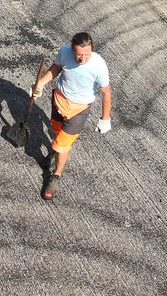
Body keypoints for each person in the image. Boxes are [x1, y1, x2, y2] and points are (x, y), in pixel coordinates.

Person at [31, 31, 112, 200]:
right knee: (56, 132)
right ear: (72, 49)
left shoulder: (99, 65)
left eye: (87, 54)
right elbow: (56, 68)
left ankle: (55, 176)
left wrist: (105, 119)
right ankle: (54, 154)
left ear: (92, 49)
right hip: (59, 100)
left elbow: (106, 93)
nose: (82, 59)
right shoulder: (64, 52)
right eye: (78, 55)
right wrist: (40, 84)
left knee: (62, 145)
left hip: (79, 110)